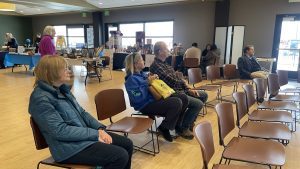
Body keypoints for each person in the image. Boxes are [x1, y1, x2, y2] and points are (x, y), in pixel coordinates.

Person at [28, 55, 133, 169]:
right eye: (64, 69)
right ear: (51, 73)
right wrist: (95, 134)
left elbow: (82, 113)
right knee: (119, 156)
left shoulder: (62, 89)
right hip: (67, 149)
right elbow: (60, 131)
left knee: (127, 144)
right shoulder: (41, 99)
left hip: (80, 139)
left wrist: (99, 128)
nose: (69, 71)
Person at [150, 41, 208, 139]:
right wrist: (187, 88)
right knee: (198, 104)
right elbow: (173, 81)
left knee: (203, 95)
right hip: (173, 94)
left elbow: (178, 78)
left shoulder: (165, 64)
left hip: (180, 90)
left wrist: (187, 87)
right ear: (160, 52)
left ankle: (188, 122)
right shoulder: (156, 66)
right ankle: (182, 127)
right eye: (166, 49)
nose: (169, 50)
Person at [124, 53, 184, 142]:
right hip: (145, 105)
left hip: (154, 100)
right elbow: (138, 99)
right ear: (135, 64)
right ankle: (164, 127)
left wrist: (153, 78)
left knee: (183, 98)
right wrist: (147, 83)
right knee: (176, 102)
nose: (143, 61)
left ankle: (177, 125)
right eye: (141, 59)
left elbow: (150, 85)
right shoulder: (131, 80)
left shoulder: (143, 74)